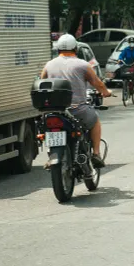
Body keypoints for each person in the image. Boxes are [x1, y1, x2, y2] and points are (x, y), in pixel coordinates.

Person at [41, 34, 113, 168]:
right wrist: (106, 92)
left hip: (54, 111)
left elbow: (42, 82)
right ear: (75, 48)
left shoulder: (49, 65)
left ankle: (51, 154)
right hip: (77, 110)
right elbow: (98, 84)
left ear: (58, 49)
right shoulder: (83, 65)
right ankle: (96, 154)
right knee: (95, 121)